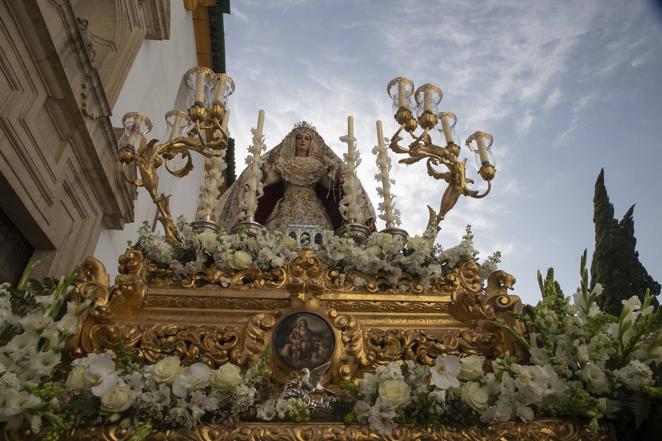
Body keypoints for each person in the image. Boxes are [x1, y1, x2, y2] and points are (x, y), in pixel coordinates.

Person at [217, 122, 375, 233]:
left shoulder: (317, 166)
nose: (303, 141)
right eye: (300, 138)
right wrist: (259, 175)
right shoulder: (284, 163)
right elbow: (269, 181)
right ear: (294, 141)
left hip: (313, 207)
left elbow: (329, 185)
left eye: (307, 138)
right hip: (287, 206)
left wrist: (338, 174)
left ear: (312, 143)